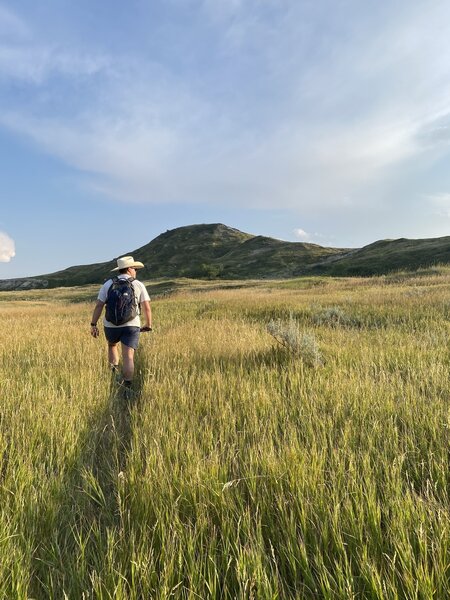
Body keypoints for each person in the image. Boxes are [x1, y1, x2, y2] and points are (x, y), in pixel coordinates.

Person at [90, 256, 152, 391]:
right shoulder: (138, 284)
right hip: (131, 324)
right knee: (128, 355)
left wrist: (93, 324)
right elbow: (146, 307)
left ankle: (113, 376)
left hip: (111, 325)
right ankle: (127, 387)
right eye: (135, 268)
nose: (136, 271)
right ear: (129, 269)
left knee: (112, 345)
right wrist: (148, 324)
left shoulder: (108, 284)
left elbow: (99, 306)